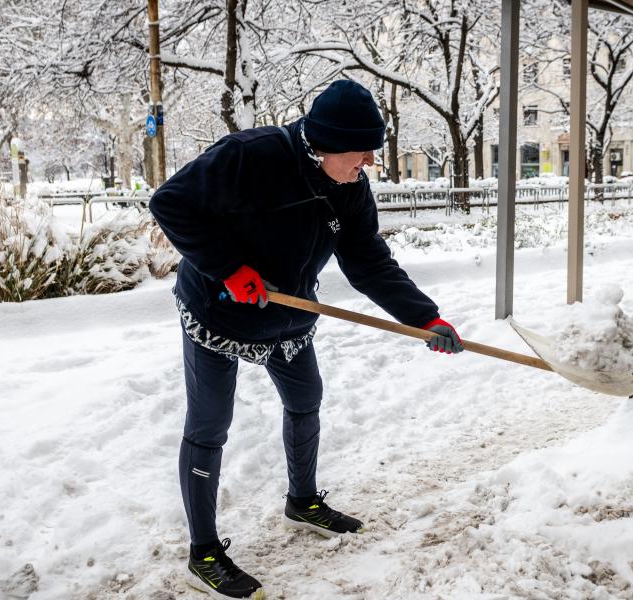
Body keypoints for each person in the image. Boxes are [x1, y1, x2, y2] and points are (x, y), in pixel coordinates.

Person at [149, 80, 464, 599]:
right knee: (210, 424)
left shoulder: (350, 187)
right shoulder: (250, 156)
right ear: (324, 143)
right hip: (219, 309)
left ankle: (303, 502)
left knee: (305, 399)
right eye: (360, 150)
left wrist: (424, 319)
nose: (368, 160)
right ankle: (204, 553)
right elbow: (171, 203)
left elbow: (368, 261)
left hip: (289, 312)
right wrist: (229, 270)